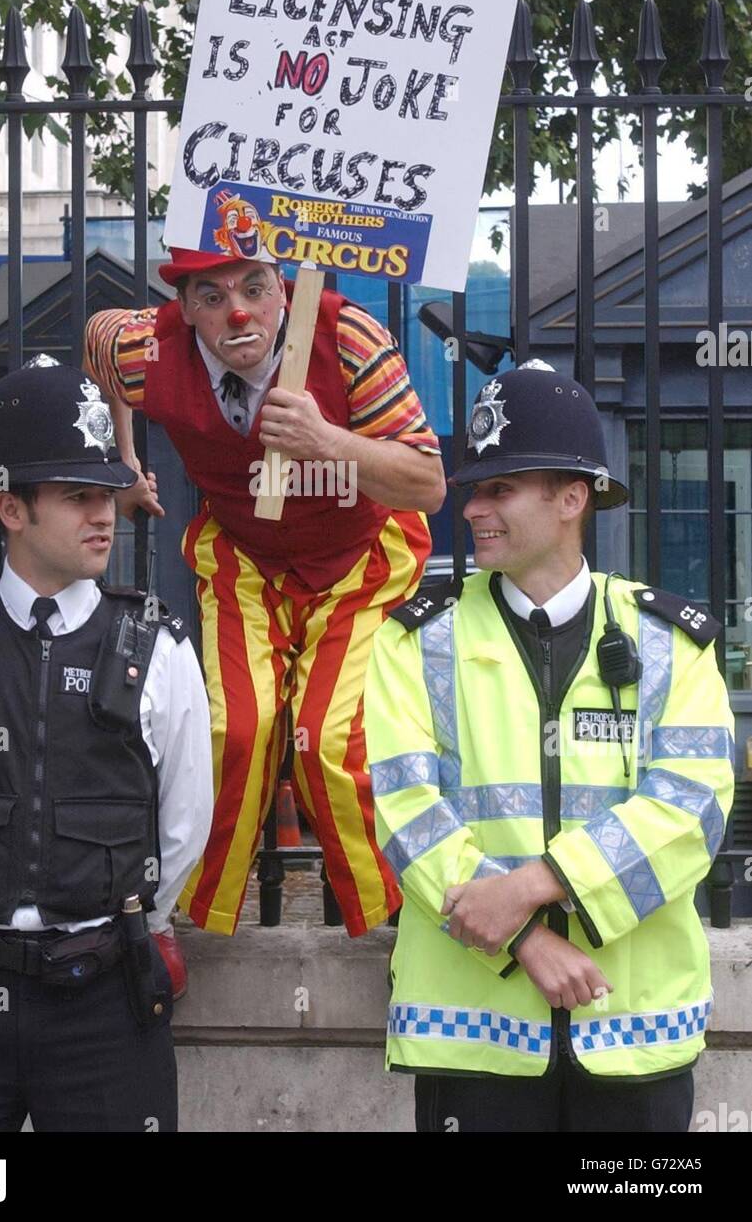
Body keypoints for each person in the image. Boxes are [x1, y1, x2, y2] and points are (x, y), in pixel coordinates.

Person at [364, 360, 735, 1133]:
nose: (472, 509)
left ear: (572, 498)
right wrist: (525, 940)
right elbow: (404, 815)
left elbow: (690, 811)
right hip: (472, 1041)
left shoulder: (670, 641)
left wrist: (531, 884)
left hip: (634, 1034)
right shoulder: (413, 641)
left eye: (499, 488)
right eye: (473, 489)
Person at [0, 357, 213, 1132]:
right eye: (75, 496)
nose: (104, 515)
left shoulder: (158, 647)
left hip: (104, 1003)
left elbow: (184, 820)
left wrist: (133, 922)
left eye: (106, 494)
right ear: (10, 508)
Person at [84, 248, 446, 944]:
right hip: (246, 558)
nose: (238, 311)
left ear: (283, 290)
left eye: (254, 287)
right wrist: (122, 465)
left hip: (358, 556)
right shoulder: (152, 353)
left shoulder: (349, 339)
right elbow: (98, 339)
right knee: (233, 731)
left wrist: (326, 439)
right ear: (185, 309)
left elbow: (426, 483)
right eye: (212, 297)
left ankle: (393, 929)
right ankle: (189, 922)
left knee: (326, 741)